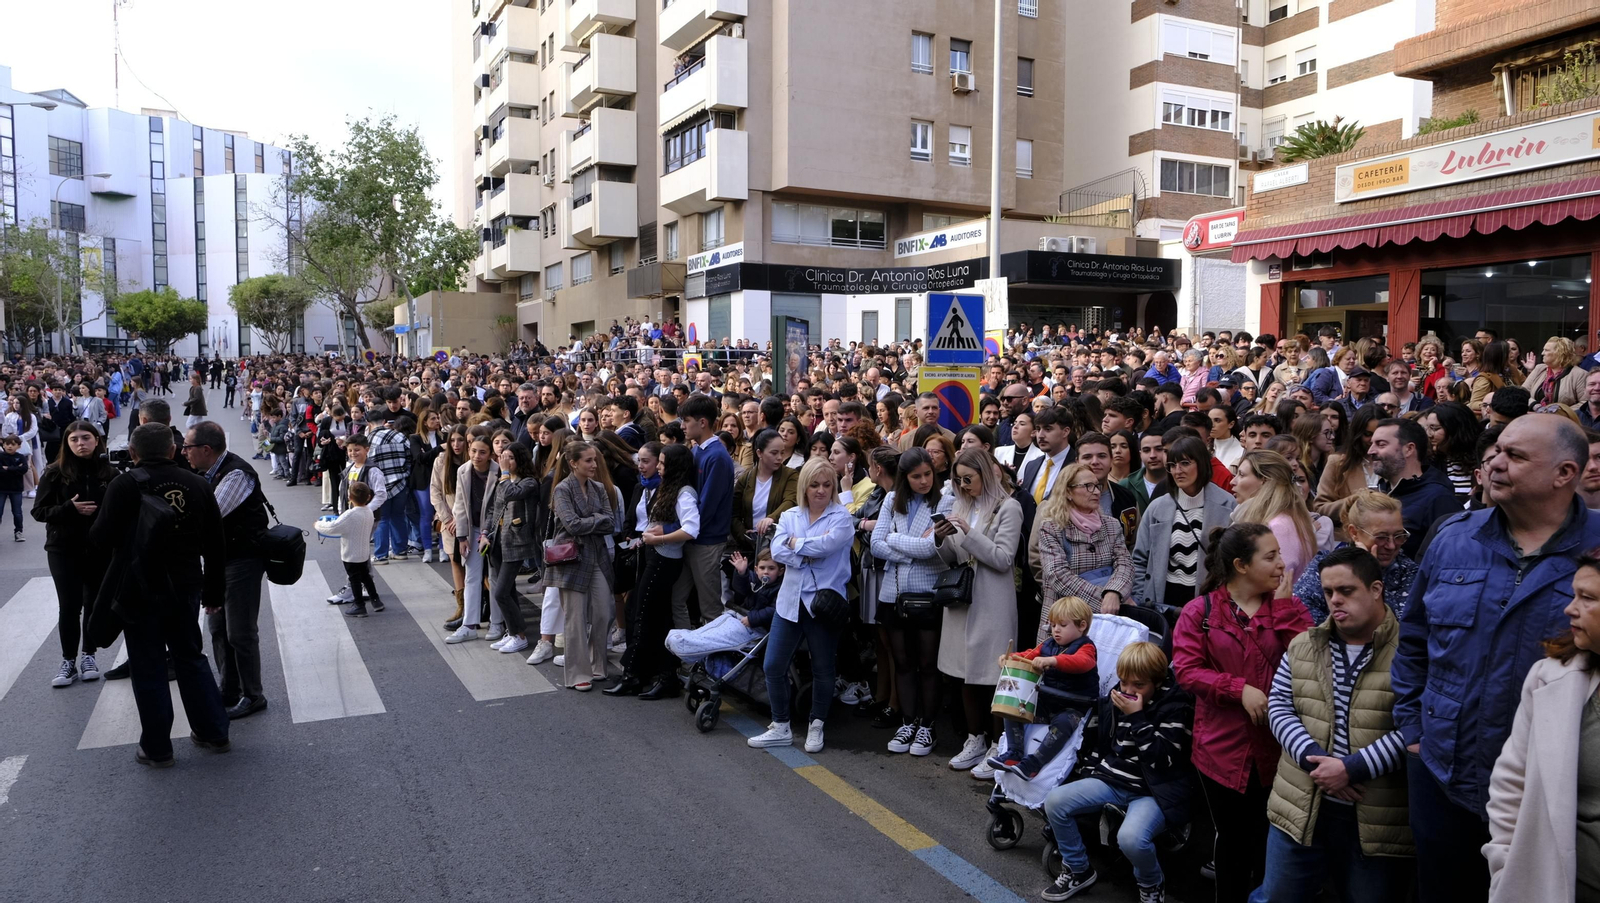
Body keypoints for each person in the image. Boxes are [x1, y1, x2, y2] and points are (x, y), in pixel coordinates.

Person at [1393, 413, 1600, 903]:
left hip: (1551, 785)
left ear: (1565, 473)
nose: (1495, 465)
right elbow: (1414, 639)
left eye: (1516, 456)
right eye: (1496, 453)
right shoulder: (1453, 537)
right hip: (1442, 772)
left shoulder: (1595, 549)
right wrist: (1414, 732)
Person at [1254, 547, 1412, 903]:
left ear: (1375, 589)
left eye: (1346, 590)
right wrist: (1318, 764)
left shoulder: (1410, 651)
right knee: (1278, 896)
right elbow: (1279, 706)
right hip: (1299, 805)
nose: (1335, 600)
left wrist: (1352, 768)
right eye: (1328, 592)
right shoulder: (1304, 645)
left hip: (1376, 815)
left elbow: (1419, 725)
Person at [1172, 523, 1310, 903]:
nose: (1282, 564)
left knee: (1273, 843)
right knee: (1233, 842)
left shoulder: (1291, 606)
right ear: (1241, 565)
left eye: (1279, 554)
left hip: (1280, 749)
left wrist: (1283, 610)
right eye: (1271, 556)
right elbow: (1186, 670)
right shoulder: (1199, 611)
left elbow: (1310, 664)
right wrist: (1238, 689)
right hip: (1221, 751)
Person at [88, 423, 229, 767]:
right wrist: (213, 591)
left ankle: (157, 748)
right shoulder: (197, 482)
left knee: (147, 664)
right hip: (185, 585)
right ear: (171, 450)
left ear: (133, 453)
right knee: (190, 656)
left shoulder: (124, 485)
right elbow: (215, 544)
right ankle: (213, 732)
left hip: (139, 587)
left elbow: (99, 539)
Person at [1484, 550, 1600, 903]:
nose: (1570, 608)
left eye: (1588, 598)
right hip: (1559, 888)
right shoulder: (1550, 678)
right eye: (1574, 594)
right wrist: (1505, 865)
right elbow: (1510, 784)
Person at [1040, 642, 1195, 903]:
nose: (1128, 690)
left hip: (1153, 790)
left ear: (1157, 682)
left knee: (1131, 839)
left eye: (1138, 685)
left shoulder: (1175, 706)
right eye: (1124, 682)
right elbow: (1103, 743)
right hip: (1113, 777)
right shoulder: (1117, 696)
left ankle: (1151, 883)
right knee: (1055, 801)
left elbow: (1162, 760)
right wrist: (1092, 769)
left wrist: (1137, 717)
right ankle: (1079, 869)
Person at [746, 457, 854, 753]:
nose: (821, 490)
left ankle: (817, 724)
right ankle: (780, 725)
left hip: (824, 604)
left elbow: (828, 546)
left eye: (827, 485)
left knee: (822, 668)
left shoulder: (841, 517)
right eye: (814, 484)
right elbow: (779, 551)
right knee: (773, 665)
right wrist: (806, 549)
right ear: (804, 486)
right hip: (789, 602)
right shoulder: (791, 515)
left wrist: (797, 544)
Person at [934, 448, 1022, 773]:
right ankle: (975, 739)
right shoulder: (961, 504)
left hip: (992, 601)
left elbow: (1002, 559)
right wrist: (942, 541)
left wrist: (969, 534)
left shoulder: (1008, 508)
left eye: (968, 479)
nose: (963, 485)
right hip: (962, 601)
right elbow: (953, 558)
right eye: (958, 480)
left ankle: (999, 745)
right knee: (965, 674)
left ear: (986, 473)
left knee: (994, 676)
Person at [181, 421, 272, 720]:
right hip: (219, 561)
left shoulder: (235, 473)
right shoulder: (203, 473)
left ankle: (253, 695)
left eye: (187, 447)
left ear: (206, 450)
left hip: (242, 559)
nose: (183, 452)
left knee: (240, 632)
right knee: (218, 629)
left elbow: (210, 517)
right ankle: (229, 689)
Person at [872, 447, 947, 757]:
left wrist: (895, 541)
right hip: (894, 592)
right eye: (916, 476)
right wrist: (909, 548)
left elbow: (932, 548)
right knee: (902, 663)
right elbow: (876, 543)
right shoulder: (892, 499)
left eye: (928, 474)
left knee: (928, 664)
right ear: (905, 477)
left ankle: (927, 725)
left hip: (929, 592)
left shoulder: (946, 500)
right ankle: (907, 721)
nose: (923, 481)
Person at [608, 443, 699, 700]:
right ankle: (654, 675)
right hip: (654, 556)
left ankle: (635, 675)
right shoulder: (667, 488)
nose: (657, 467)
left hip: (664, 560)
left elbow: (691, 529)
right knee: (649, 616)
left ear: (674, 466)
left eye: (661, 463)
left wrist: (660, 537)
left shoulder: (684, 492)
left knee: (644, 616)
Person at [34, 420, 117, 687]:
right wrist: (69, 509)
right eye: (74, 439)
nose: (80, 443)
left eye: (86, 438)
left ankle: (88, 656)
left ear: (96, 440)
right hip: (63, 548)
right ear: (67, 444)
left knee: (93, 603)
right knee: (69, 606)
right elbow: (39, 511)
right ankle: (68, 660)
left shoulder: (110, 473)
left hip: (99, 548)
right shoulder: (54, 473)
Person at [989, 596, 1099, 780]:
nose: (1056, 630)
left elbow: (1082, 663)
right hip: (1048, 702)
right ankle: (1014, 753)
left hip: (1073, 707)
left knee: (1063, 724)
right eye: (1054, 624)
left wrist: (1054, 661)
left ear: (1081, 626)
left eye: (1062, 625)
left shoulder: (1087, 647)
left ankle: (1033, 764)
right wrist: (1011, 658)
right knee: (1014, 707)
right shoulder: (1048, 644)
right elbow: (1029, 656)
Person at [1131, 435, 1238, 610]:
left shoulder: (1227, 505)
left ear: (1202, 463)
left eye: (1185, 463)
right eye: (1172, 465)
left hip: (1209, 598)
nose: (1177, 470)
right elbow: (1140, 558)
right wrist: (1142, 597)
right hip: (1163, 598)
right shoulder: (1157, 507)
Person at [546, 440, 616, 691]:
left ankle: (598, 664)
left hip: (597, 556)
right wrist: (597, 520)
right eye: (588, 460)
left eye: (595, 459)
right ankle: (577, 674)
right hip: (571, 559)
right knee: (574, 618)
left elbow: (611, 522)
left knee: (604, 612)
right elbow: (571, 525)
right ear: (573, 463)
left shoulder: (598, 488)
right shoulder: (562, 490)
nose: (594, 465)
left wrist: (592, 521)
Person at [1293, 491, 1419, 625]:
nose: (1391, 545)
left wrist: (1371, 574)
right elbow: (1303, 620)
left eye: (1399, 535)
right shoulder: (1325, 566)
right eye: (1381, 537)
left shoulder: (1408, 571)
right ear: (1354, 533)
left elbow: (1405, 628)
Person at [1037, 462, 1134, 622]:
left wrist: (1115, 593)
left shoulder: (1111, 524)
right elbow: (1057, 575)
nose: (1096, 492)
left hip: (1111, 616)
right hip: (1067, 619)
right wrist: (1105, 599)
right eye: (1088, 486)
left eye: (1097, 486)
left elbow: (1125, 563)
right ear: (1068, 491)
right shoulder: (1051, 527)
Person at [672, 396, 734, 629]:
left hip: (706, 541)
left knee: (710, 608)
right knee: (677, 599)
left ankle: (717, 663)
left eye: (686, 420)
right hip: (690, 538)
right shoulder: (698, 449)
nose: (682, 426)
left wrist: (680, 530)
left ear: (703, 422)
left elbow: (707, 506)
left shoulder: (717, 456)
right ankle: (688, 657)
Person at [1367, 418, 1461, 560]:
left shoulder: (1439, 499)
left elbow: (1453, 556)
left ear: (1409, 449)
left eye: (1381, 444)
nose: (1371, 451)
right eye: (1372, 444)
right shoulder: (1380, 491)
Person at [1233, 450, 1325, 588]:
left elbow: (1279, 585)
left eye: (1241, 475)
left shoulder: (1280, 526)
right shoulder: (1277, 520)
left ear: (1265, 481)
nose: (1232, 481)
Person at [484, 442, 539, 656]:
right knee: (507, 590)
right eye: (503, 457)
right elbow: (493, 510)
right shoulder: (503, 481)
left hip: (516, 540)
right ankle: (513, 631)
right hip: (497, 540)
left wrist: (505, 473)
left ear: (521, 460)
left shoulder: (529, 482)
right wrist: (485, 534)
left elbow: (511, 494)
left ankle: (520, 636)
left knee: (500, 592)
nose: (505, 461)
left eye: (511, 458)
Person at [445, 436, 497, 645]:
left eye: (482, 452)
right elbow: (459, 504)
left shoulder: (497, 470)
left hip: (493, 531)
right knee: (472, 577)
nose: (477, 456)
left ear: (490, 454)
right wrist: (462, 537)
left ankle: (497, 622)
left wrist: (488, 532)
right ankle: (469, 625)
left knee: (493, 577)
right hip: (473, 530)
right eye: (473, 451)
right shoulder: (463, 470)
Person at [317, 481, 381, 618]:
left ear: (349, 497)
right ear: (368, 497)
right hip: (363, 552)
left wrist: (318, 524)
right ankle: (376, 600)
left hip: (351, 554)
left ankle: (359, 605)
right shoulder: (369, 511)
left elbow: (332, 528)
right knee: (366, 577)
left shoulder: (350, 514)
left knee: (354, 579)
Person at [730, 428, 798, 554]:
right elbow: (734, 513)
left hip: (778, 545)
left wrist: (771, 518)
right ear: (759, 453)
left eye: (782, 453)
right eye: (774, 453)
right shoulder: (746, 478)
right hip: (750, 546)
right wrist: (744, 534)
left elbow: (791, 501)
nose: (779, 458)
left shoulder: (790, 475)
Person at [1120, 431, 1167, 514]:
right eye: (1146, 450)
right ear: (1140, 454)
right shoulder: (1126, 486)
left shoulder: (1179, 483)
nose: (1152, 455)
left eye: (1159, 449)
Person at [0, 434, 27, 541]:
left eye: (13, 444)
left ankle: (18, 531)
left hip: (16, 489)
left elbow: (24, 469)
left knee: (17, 512)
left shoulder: (20, 457)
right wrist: (15, 469)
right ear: (3, 445)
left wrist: (7, 469)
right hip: (1, 488)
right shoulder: (1, 456)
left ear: (19, 446)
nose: (10, 446)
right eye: (7, 444)